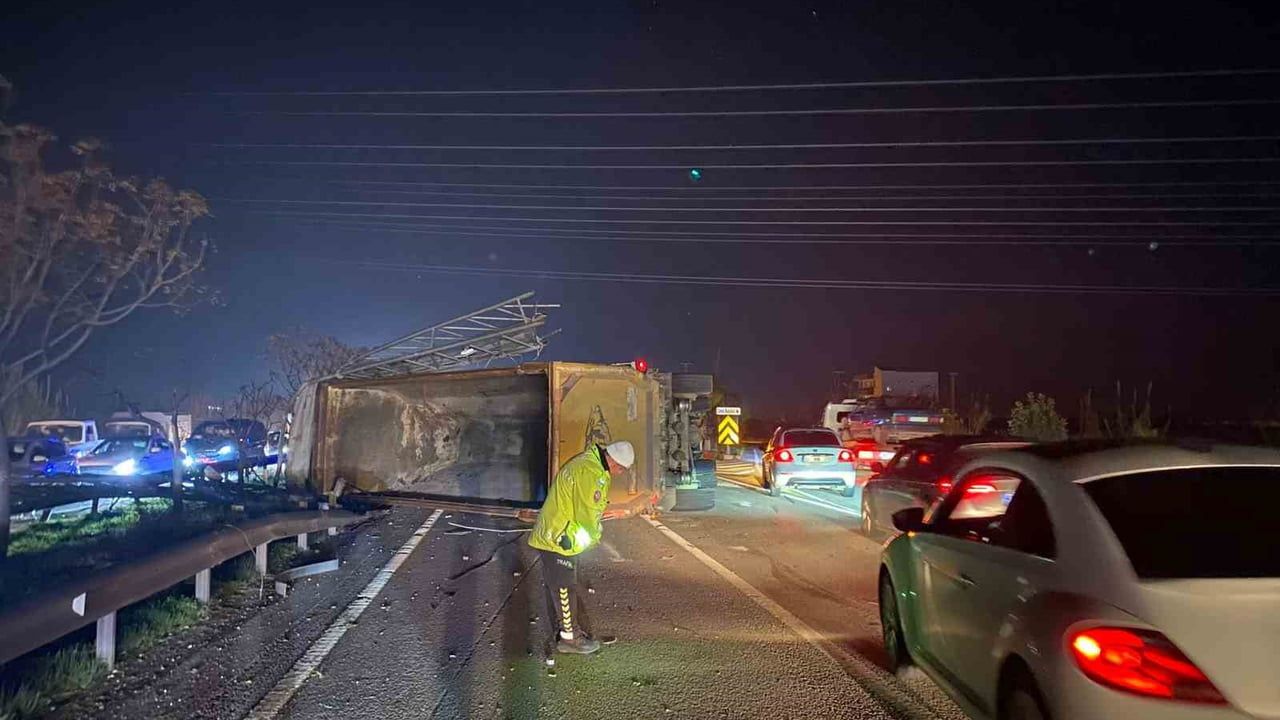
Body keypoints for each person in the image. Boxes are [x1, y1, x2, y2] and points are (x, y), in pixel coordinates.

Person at [528, 439, 634, 654]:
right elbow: (587, 514)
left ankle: (567, 631)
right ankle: (570, 639)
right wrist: (595, 537)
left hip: (558, 531)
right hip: (559, 539)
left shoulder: (589, 463)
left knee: (562, 585)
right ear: (614, 462)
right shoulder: (591, 473)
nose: (620, 474)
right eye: (621, 469)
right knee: (564, 588)